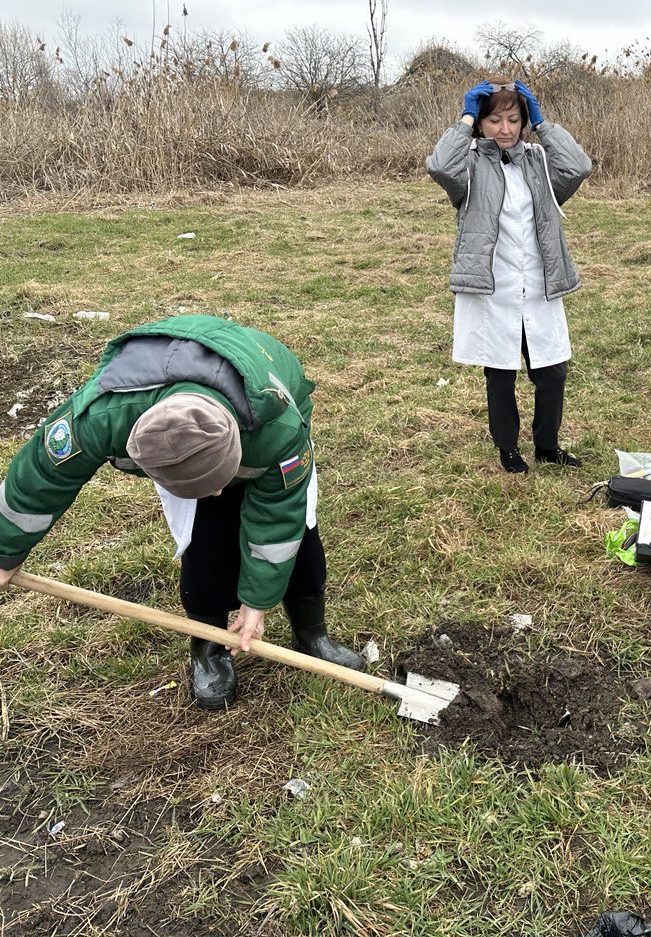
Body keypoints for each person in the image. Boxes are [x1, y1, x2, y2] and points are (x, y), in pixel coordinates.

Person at [0, 315, 365, 708]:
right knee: (205, 539)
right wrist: (4, 554)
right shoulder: (101, 417)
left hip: (259, 410)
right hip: (164, 405)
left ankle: (312, 635)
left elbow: (278, 519)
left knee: (300, 541)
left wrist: (257, 602)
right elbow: (37, 482)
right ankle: (209, 649)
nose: (218, 492)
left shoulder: (279, 432)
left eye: (220, 481)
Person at [426, 76, 593, 474]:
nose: (505, 129)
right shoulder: (468, 166)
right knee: (500, 373)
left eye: (514, 120)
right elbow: (440, 165)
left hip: (537, 284)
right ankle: (507, 449)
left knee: (552, 372)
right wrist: (465, 119)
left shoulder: (537, 162)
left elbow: (578, 166)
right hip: (493, 287)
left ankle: (547, 446)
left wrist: (543, 124)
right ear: (481, 123)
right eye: (495, 120)